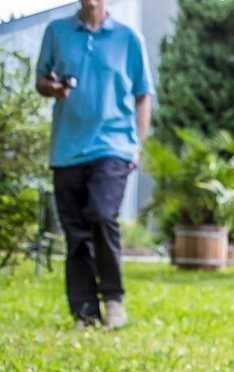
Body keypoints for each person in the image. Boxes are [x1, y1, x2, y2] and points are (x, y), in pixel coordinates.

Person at [36, 0, 152, 329]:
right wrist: (53, 87)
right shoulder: (56, 32)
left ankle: (113, 298)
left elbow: (143, 95)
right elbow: (40, 81)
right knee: (75, 232)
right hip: (67, 147)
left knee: (102, 215)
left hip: (114, 145)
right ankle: (84, 311)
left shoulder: (129, 39)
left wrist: (136, 148)